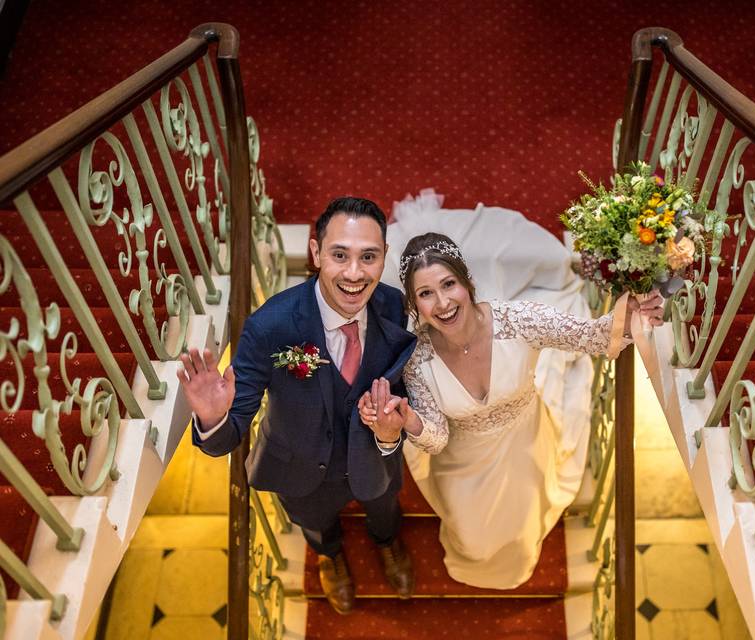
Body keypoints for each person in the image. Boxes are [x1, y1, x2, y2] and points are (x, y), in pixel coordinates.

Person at [359, 233, 663, 589]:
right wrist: (409, 420)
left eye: (448, 284)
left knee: (521, 525)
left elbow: (591, 336)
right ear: (415, 305)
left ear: (467, 282)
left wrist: (629, 315)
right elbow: (437, 438)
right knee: (472, 537)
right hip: (461, 463)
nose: (442, 303)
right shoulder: (417, 359)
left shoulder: (518, 320)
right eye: (426, 294)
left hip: (525, 443)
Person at [177, 197, 417, 615]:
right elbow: (228, 436)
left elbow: (405, 379)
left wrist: (391, 426)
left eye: (369, 257)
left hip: (376, 455)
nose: (355, 273)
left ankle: (386, 542)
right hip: (300, 465)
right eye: (339, 255)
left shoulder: (394, 306)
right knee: (316, 522)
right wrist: (213, 417)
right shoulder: (269, 327)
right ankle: (331, 557)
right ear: (315, 253)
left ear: (384, 258)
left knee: (384, 505)